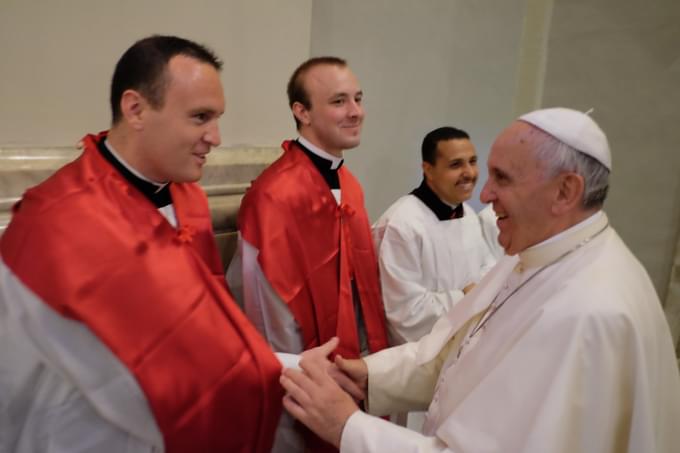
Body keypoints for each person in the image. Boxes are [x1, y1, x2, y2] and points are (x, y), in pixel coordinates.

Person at [280, 107, 680, 452]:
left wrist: (346, 426)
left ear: (564, 191)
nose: (484, 194)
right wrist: (368, 375)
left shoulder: (587, 313)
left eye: (502, 179)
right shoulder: (531, 252)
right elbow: (460, 351)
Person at [0, 35, 283, 452]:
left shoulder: (189, 200)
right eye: (200, 117)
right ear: (135, 109)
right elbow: (129, 376)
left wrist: (281, 367)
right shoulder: (61, 222)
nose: (216, 136)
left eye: (217, 118)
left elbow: (204, 332)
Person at [227, 56, 389, 451]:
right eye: (338, 101)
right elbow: (264, 308)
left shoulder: (349, 184)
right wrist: (303, 375)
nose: (356, 112)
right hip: (299, 379)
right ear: (301, 112)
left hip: (351, 367)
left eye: (358, 98)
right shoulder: (276, 194)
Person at [373, 126, 496, 346]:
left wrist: (476, 294)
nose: (469, 172)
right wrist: (466, 297)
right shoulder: (401, 225)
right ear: (428, 170)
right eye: (456, 164)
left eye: (473, 161)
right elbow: (406, 315)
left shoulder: (467, 213)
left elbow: (488, 272)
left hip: (462, 347)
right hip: (415, 357)